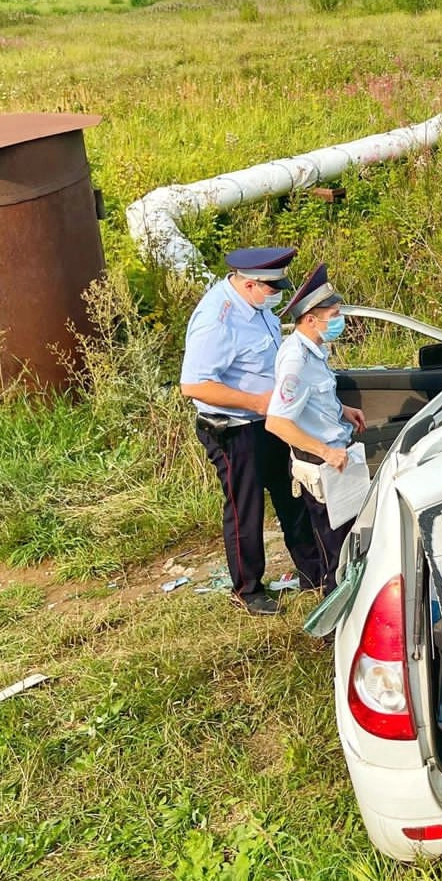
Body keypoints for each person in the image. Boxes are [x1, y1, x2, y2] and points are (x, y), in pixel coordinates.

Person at [179, 246, 335, 617]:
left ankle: (314, 573)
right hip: (234, 429)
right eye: (270, 288)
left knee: (292, 497)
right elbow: (194, 386)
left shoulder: (257, 304)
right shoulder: (217, 320)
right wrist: (254, 402)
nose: (276, 294)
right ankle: (248, 590)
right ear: (249, 284)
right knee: (245, 509)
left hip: (270, 422)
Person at [266, 262, 366, 581]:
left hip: (336, 454)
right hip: (321, 463)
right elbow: (278, 423)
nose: (340, 321)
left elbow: (314, 399)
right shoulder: (295, 359)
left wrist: (342, 408)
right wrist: (326, 452)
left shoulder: (315, 350)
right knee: (334, 552)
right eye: (334, 316)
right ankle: (332, 626)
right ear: (311, 319)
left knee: (352, 542)